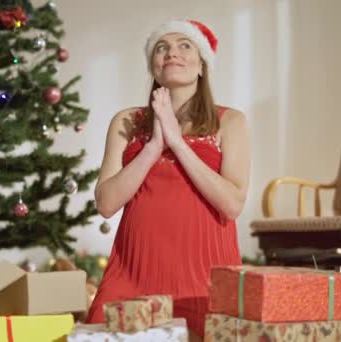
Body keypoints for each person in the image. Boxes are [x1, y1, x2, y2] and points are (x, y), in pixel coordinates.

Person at [86, 19, 250, 341]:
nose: (171, 52)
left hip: (205, 277)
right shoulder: (126, 121)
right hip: (132, 273)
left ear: (202, 65)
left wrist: (177, 142)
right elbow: (106, 203)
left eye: (184, 45)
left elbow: (231, 205)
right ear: (154, 67)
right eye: (162, 47)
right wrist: (153, 147)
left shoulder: (230, 121)